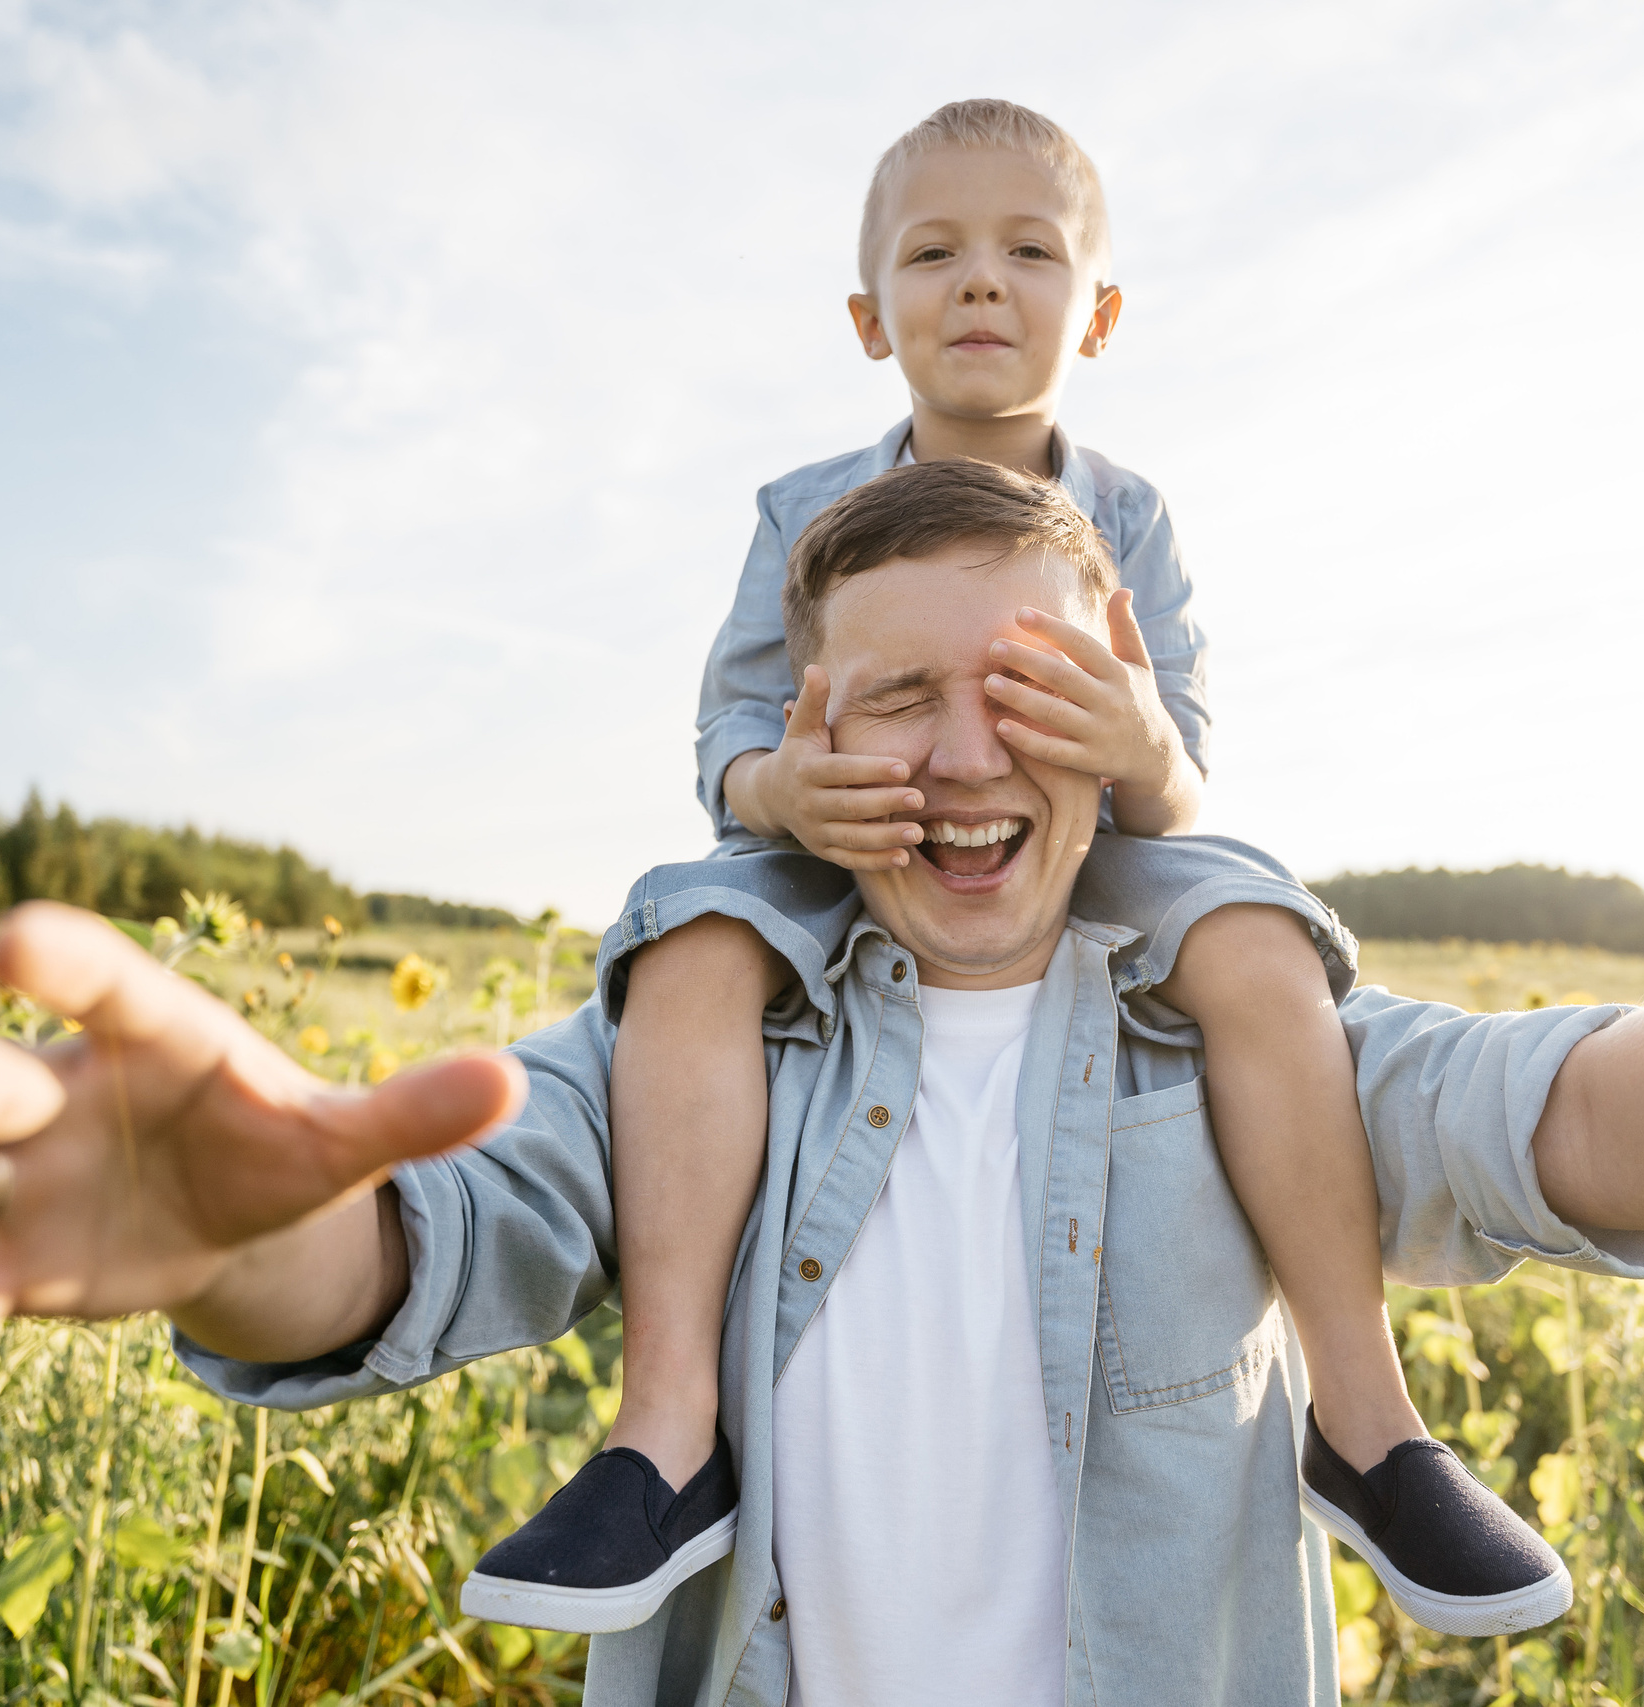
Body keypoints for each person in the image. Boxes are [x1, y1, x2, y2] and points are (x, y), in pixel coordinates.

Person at [0, 460, 1644, 1704]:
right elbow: (423, 1226)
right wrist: (233, 1225)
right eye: (882, 702)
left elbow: (1581, 1122)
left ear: (1119, 698)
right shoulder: (704, 1034)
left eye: (1020, 691)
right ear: (789, 736)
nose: (954, 765)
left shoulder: (1238, 1019)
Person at [535, 96, 1521, 1638]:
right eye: (935, 253)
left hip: (1089, 845)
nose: (981, 282)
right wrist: (785, 785)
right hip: (846, 832)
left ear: (1100, 312)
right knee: (688, 946)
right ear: (871, 318)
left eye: (1029, 252)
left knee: (1261, 936)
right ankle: (668, 1434)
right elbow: (729, 727)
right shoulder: (800, 510)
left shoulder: (1130, 515)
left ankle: (1367, 1417)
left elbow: (1178, 766)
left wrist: (1132, 737)